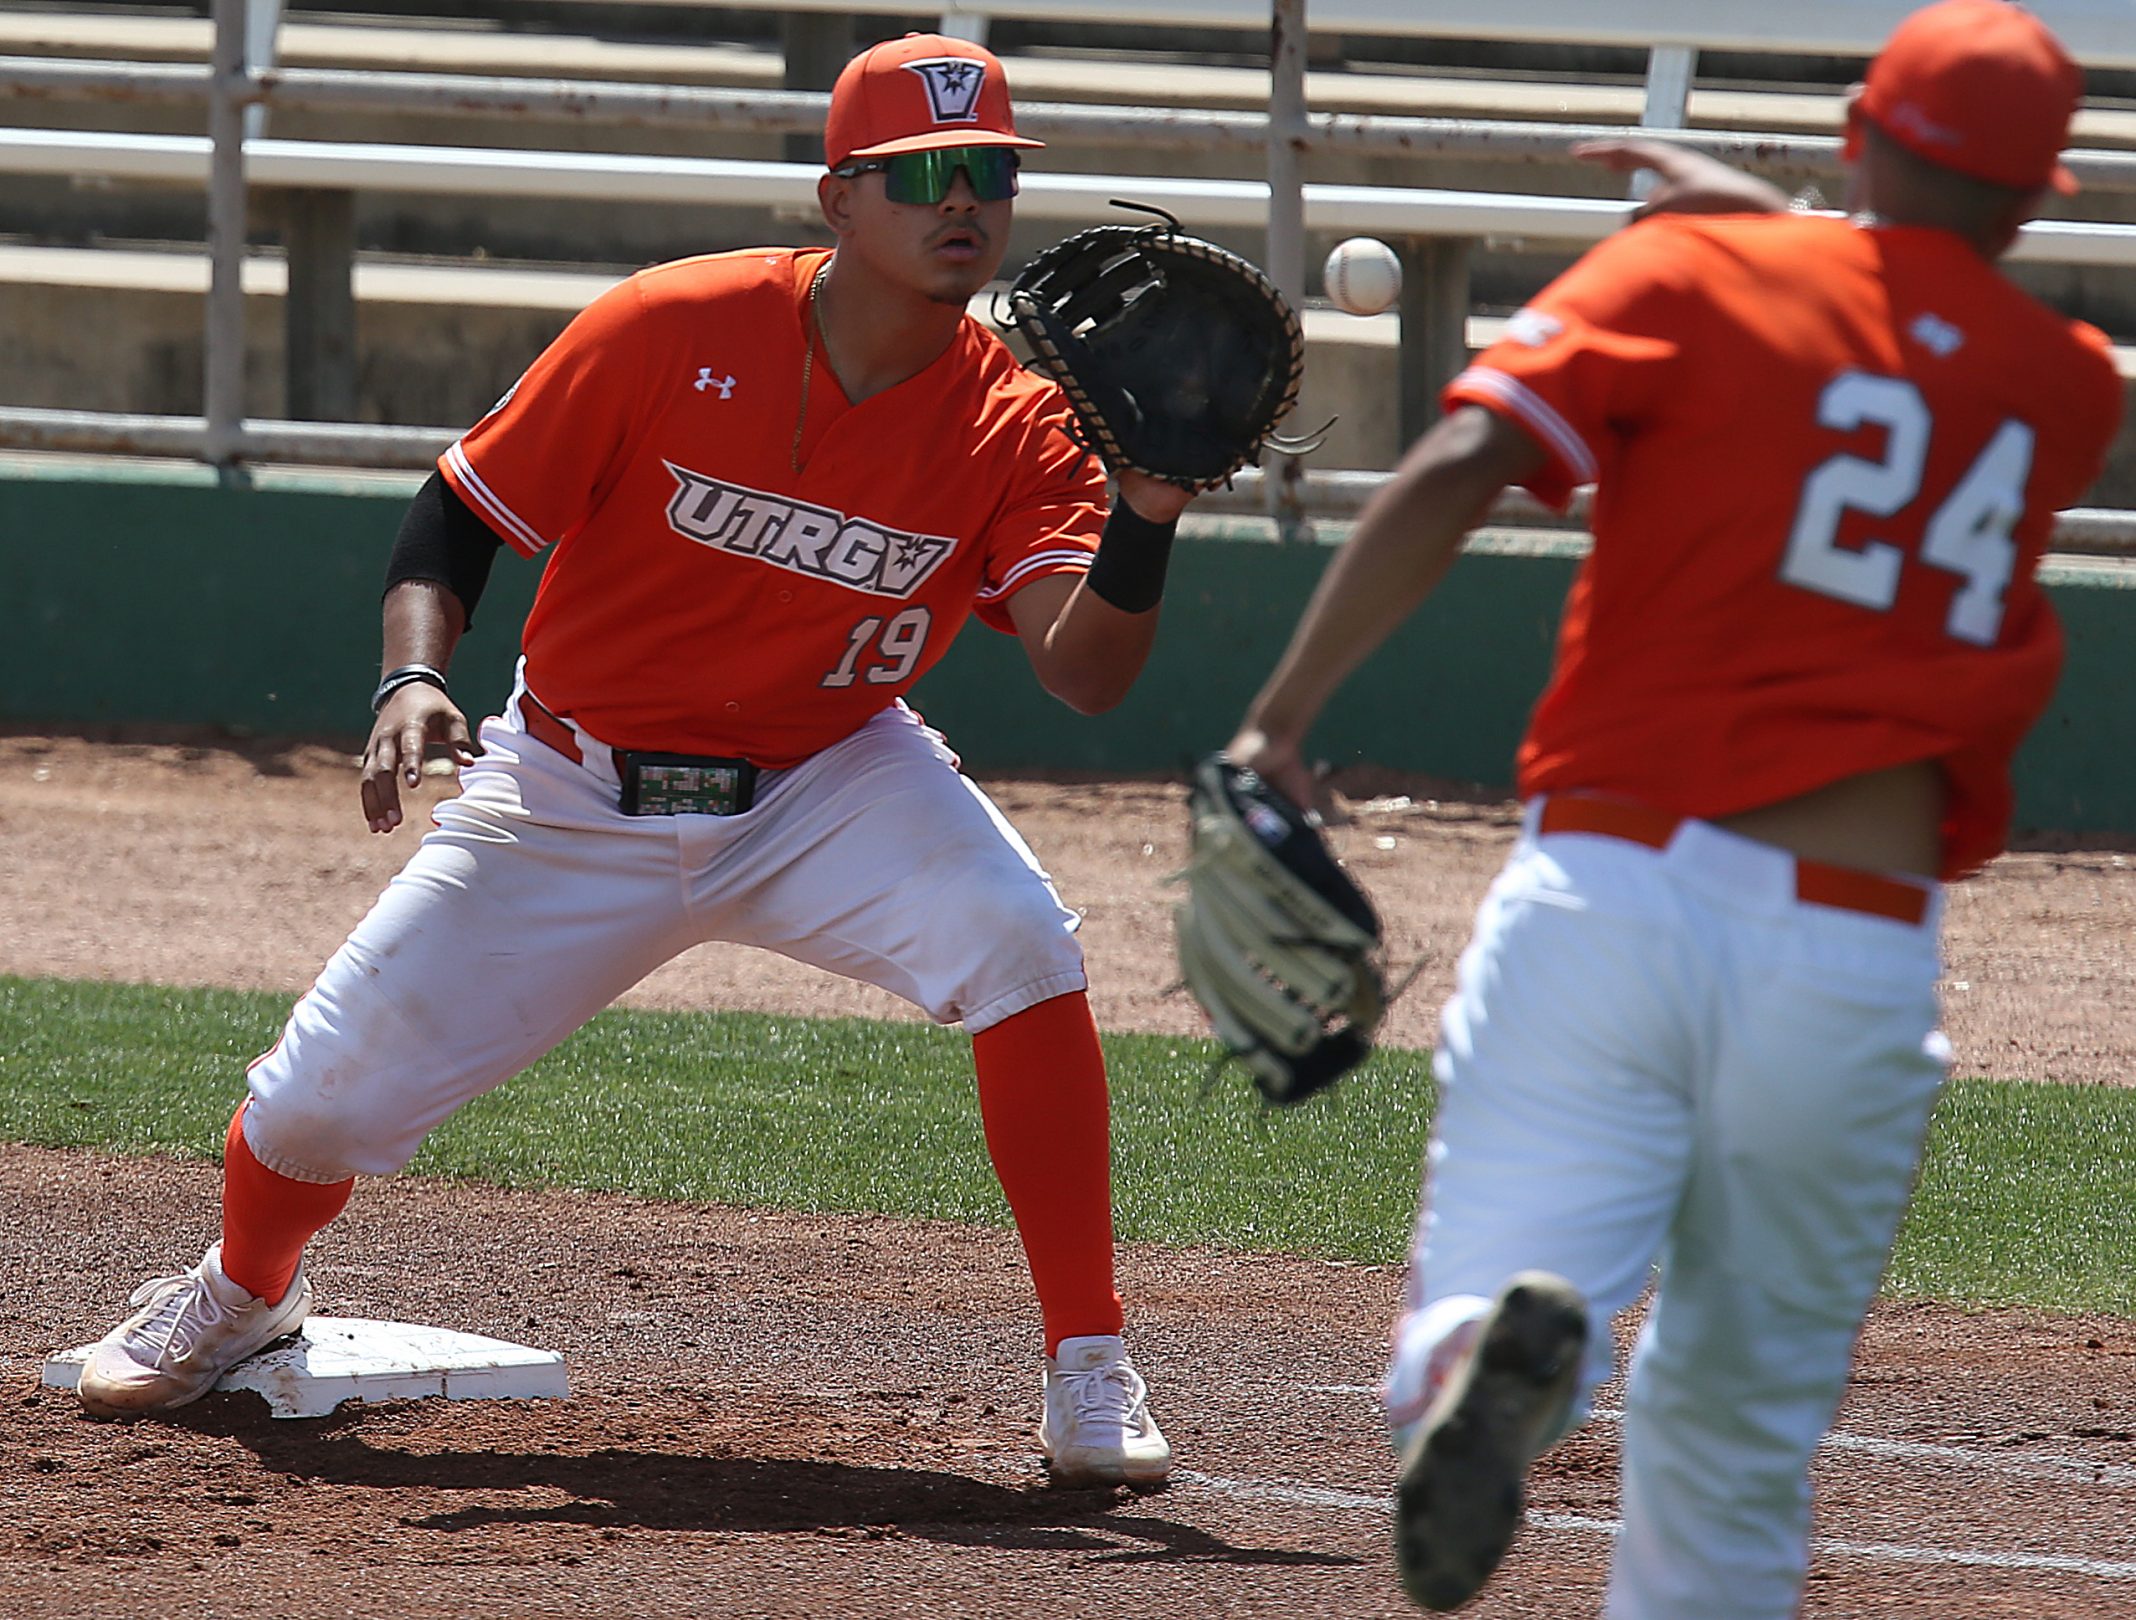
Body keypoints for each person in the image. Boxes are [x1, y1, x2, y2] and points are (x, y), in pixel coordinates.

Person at [74, 31, 1193, 1488]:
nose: (961, 198)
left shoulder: (1017, 418)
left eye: (985, 169)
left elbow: (1085, 673)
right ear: (836, 199)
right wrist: (418, 672)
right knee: (315, 1108)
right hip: (571, 786)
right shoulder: (673, 325)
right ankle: (242, 1291)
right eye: (920, 171)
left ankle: (1089, 1361)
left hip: (826, 778)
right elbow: (461, 513)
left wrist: (1150, 512)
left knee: (1018, 938)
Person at [1222, 1, 2121, 1611]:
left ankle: (1470, 1371)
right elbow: (1906, 322)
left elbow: (1453, 469)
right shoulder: (2063, 383)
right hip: (1854, 958)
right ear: (2039, 199)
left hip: (1617, 893)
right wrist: (1792, 232)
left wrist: (1279, 722)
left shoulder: (1684, 274)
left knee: (1503, 1264)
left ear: (1859, 136)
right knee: (1736, 1447)